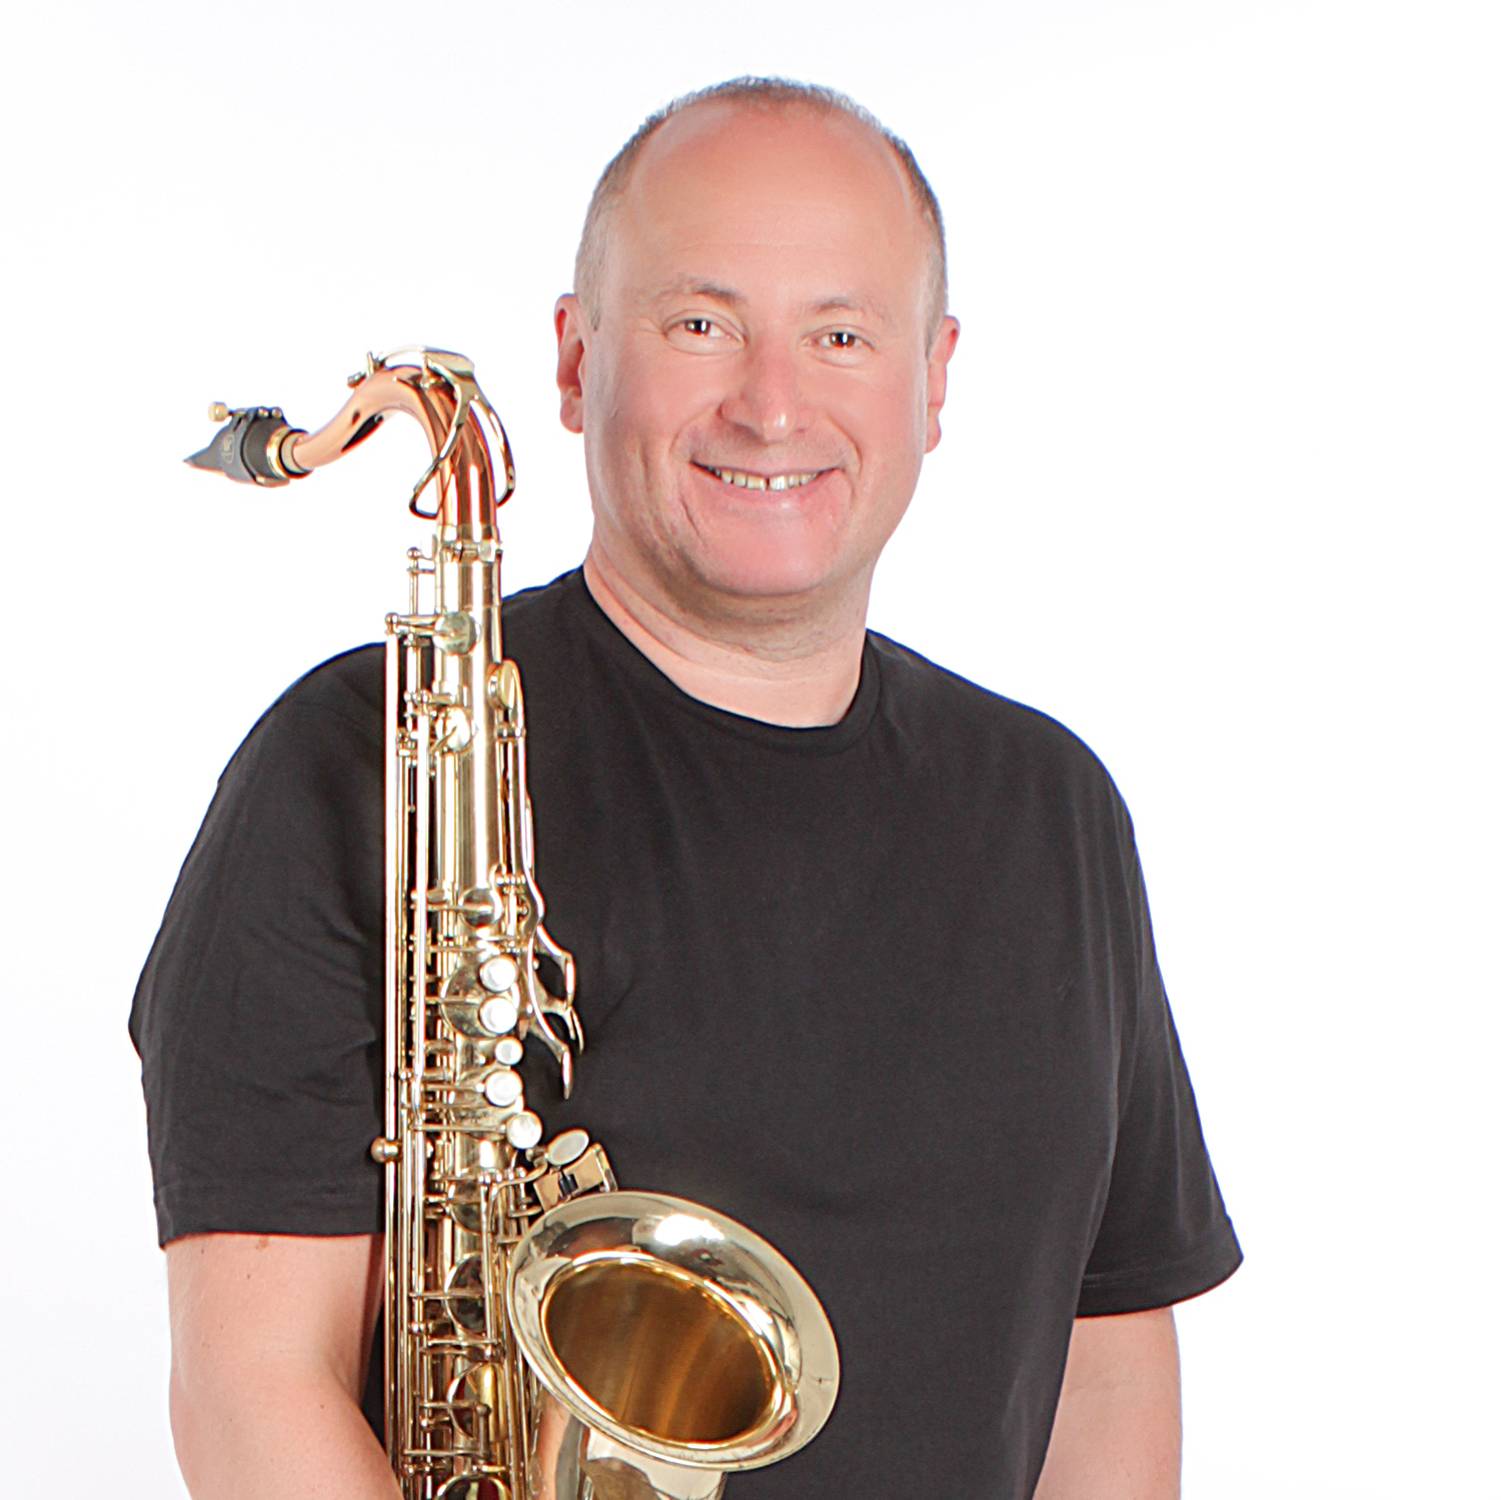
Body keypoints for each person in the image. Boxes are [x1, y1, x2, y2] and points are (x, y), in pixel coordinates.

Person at [132, 78, 1240, 1500]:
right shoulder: (355, 764)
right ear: (576, 358)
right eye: (701, 324)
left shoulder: (1052, 806)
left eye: (840, 335)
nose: (771, 406)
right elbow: (250, 1391)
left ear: (933, 378)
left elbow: (1107, 1370)